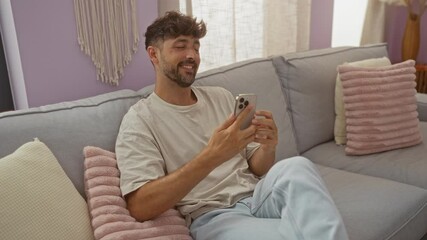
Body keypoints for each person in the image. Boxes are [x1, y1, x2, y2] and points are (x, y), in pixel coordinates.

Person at [116, 11, 349, 240]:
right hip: (215, 215)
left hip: (259, 194)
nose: (192, 55)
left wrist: (268, 147)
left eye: (196, 47)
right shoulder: (140, 120)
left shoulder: (220, 97)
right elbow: (140, 206)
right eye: (180, 46)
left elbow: (257, 167)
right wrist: (213, 155)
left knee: (297, 166)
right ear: (154, 55)